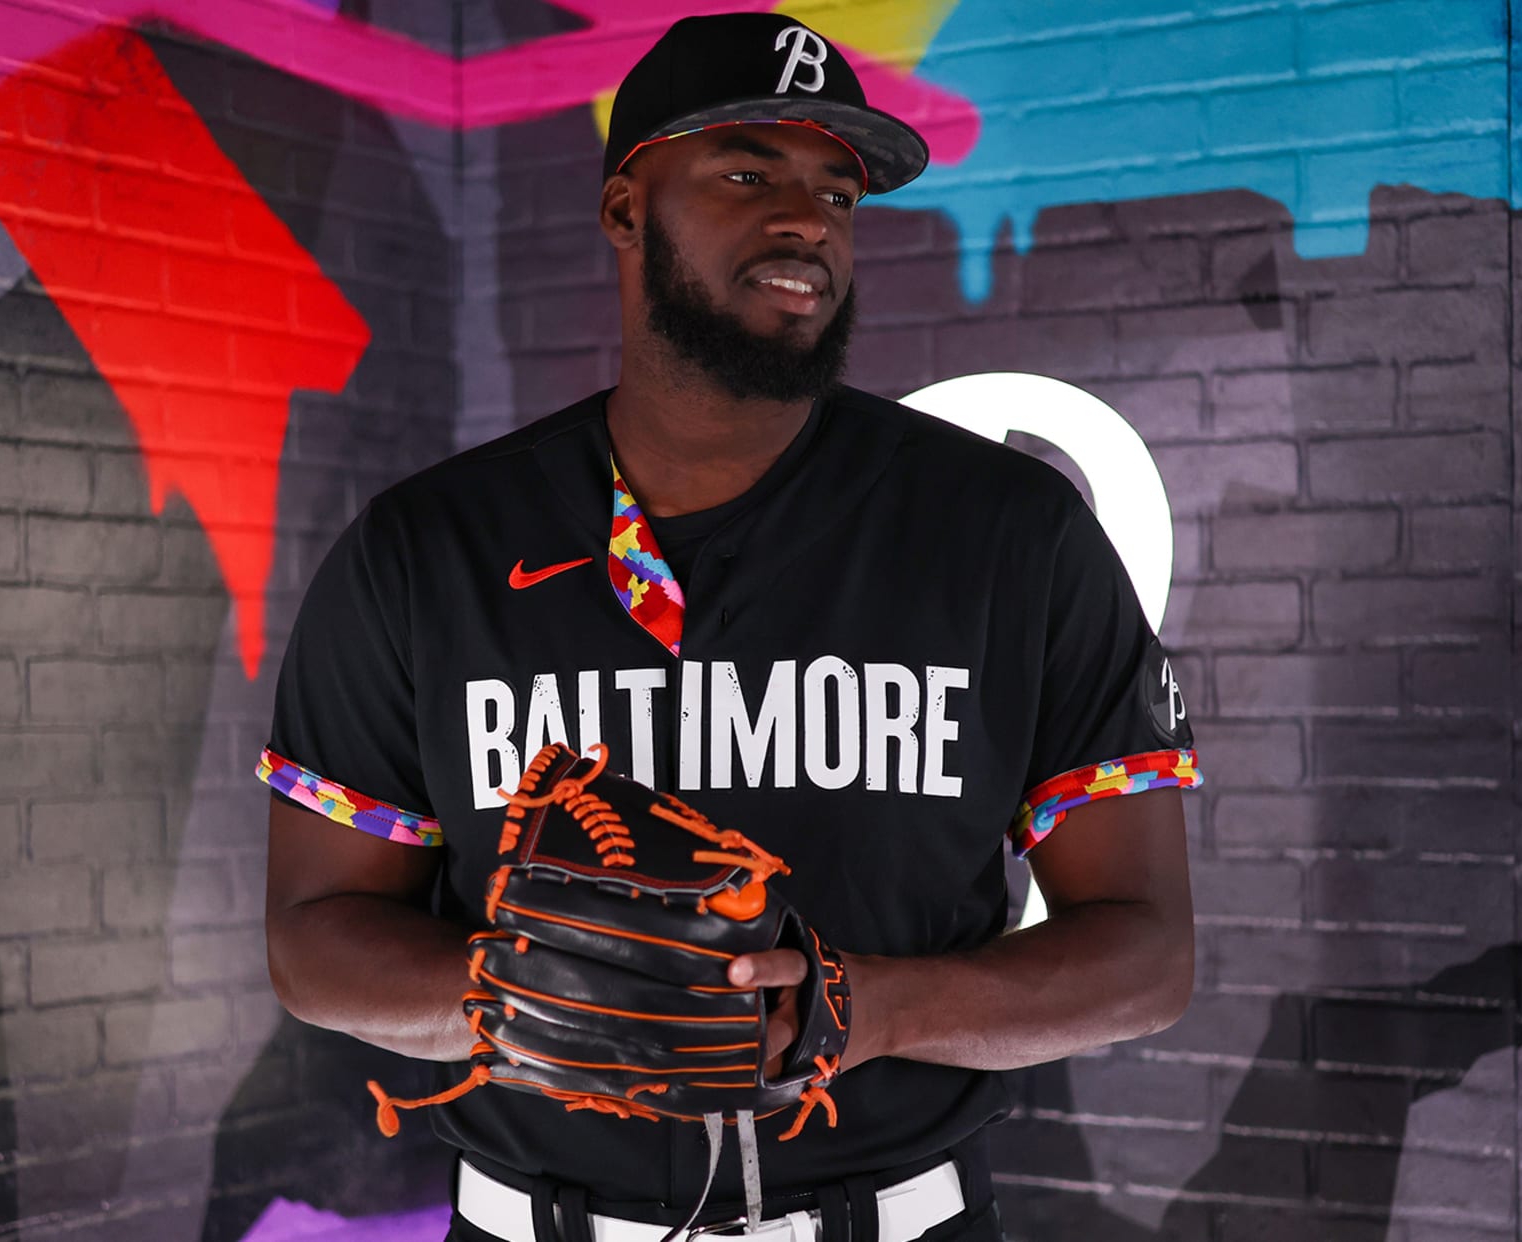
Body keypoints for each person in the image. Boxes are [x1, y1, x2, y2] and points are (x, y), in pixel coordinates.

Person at [257, 12, 1200, 1241]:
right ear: (625, 208)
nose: (806, 218)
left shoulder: (1009, 535)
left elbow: (1146, 957)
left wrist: (865, 1011)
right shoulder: (427, 552)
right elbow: (313, 937)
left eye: (837, 193)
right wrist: (524, 999)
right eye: (749, 170)